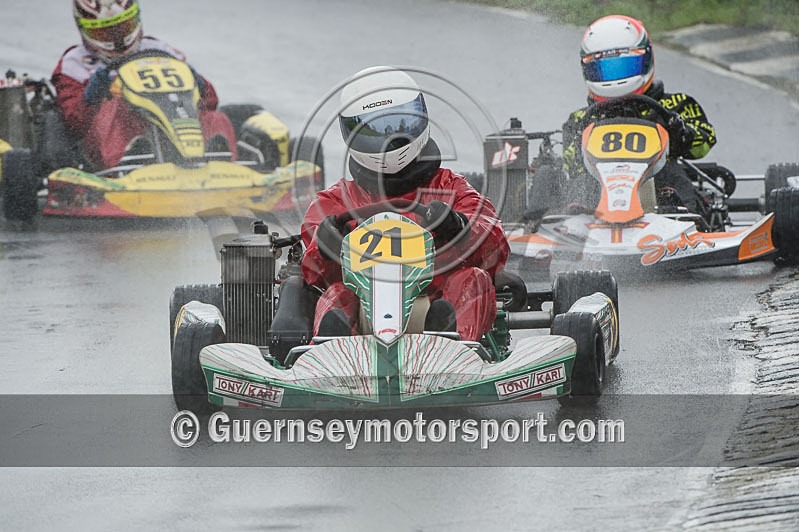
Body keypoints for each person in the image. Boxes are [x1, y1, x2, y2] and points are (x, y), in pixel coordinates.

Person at [300, 66, 509, 342]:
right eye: (374, 130)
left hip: (434, 307)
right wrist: (326, 246)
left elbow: (494, 245)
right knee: (336, 293)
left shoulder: (451, 189)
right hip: (366, 317)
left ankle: (456, 351)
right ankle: (332, 356)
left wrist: (457, 227)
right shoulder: (335, 203)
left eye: (398, 125)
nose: (388, 140)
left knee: (472, 280)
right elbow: (314, 275)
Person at [51, 0, 236, 170]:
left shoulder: (161, 50)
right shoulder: (74, 64)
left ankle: (219, 161)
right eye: (105, 31)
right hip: (103, 146)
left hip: (172, 127)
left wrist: (198, 83)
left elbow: (210, 101)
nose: (118, 39)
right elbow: (74, 125)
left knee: (215, 118)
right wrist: (93, 96)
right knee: (115, 109)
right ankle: (132, 160)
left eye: (123, 27)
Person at [561, 15, 717, 215]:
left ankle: (687, 222)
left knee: (673, 175)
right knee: (582, 182)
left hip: (657, 181)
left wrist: (681, 132)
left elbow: (705, 142)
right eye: (605, 70)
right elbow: (571, 166)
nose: (615, 80)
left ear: (645, 60)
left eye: (624, 67)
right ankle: (577, 223)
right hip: (599, 190)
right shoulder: (580, 119)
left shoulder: (675, 105)